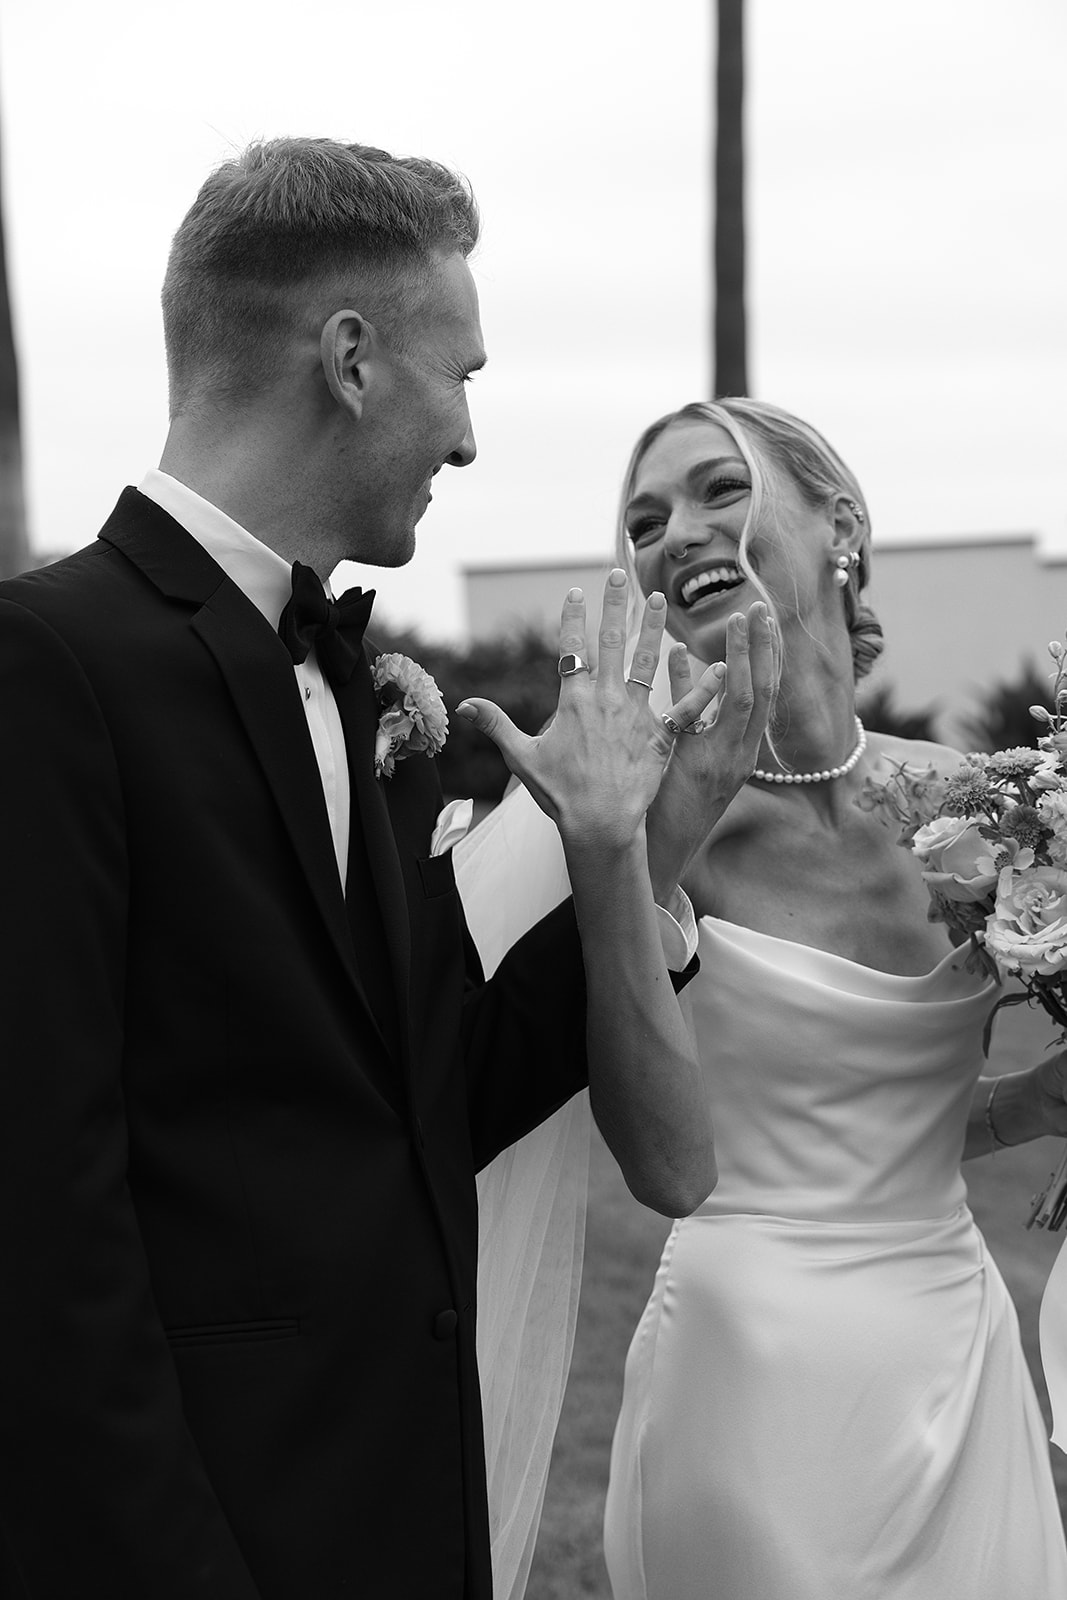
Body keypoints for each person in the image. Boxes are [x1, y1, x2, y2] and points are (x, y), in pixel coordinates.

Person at [0, 143, 775, 1599]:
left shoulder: (363, 704)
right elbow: (40, 1227)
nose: (469, 441)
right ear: (351, 359)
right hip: (201, 1539)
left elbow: (434, 1088)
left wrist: (640, 834)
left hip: (399, 1522)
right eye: (461, 376)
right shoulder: (45, 668)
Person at [598, 398, 1067, 1599]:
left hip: (951, 1345)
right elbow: (659, 1144)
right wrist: (637, 862)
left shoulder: (994, 811)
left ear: (838, 528)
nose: (679, 531)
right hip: (747, 1369)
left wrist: (1033, 1101)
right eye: (645, 519)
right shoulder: (638, 824)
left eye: (718, 489)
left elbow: (880, 1129)